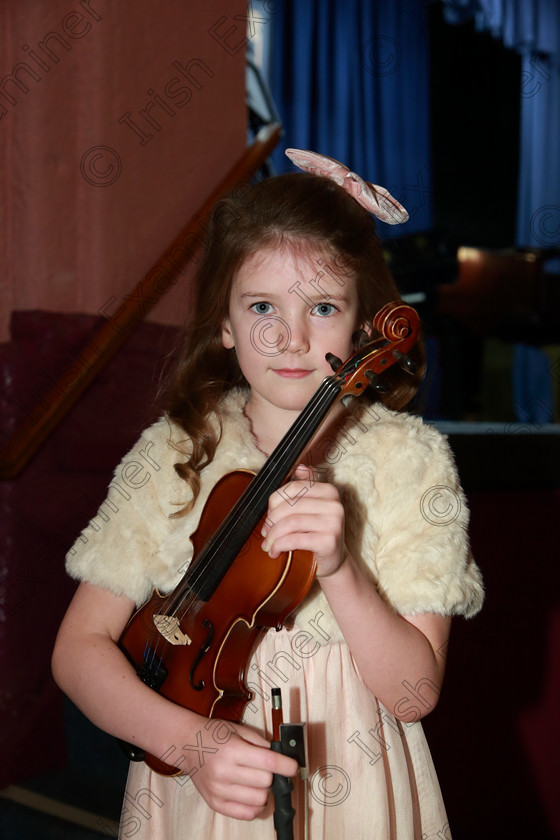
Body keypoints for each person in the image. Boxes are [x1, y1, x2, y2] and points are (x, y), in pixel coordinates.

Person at [52, 148, 484, 839]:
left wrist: (341, 569)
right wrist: (191, 745)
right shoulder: (175, 449)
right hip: (203, 779)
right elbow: (78, 651)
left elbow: (412, 694)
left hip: (354, 784)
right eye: (261, 306)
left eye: (321, 306)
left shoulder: (410, 463)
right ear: (223, 323)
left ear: (364, 323)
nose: (290, 336)